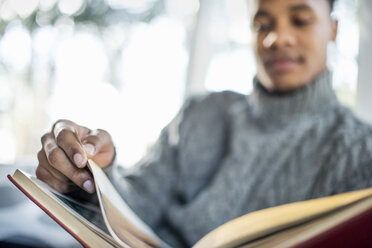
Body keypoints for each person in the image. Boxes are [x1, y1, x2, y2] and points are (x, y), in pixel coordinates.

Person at [36, 0, 372, 247]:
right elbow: (137, 205)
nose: (276, 39)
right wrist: (91, 176)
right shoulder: (201, 114)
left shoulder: (360, 151)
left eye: (299, 20)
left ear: (334, 29)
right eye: (262, 24)